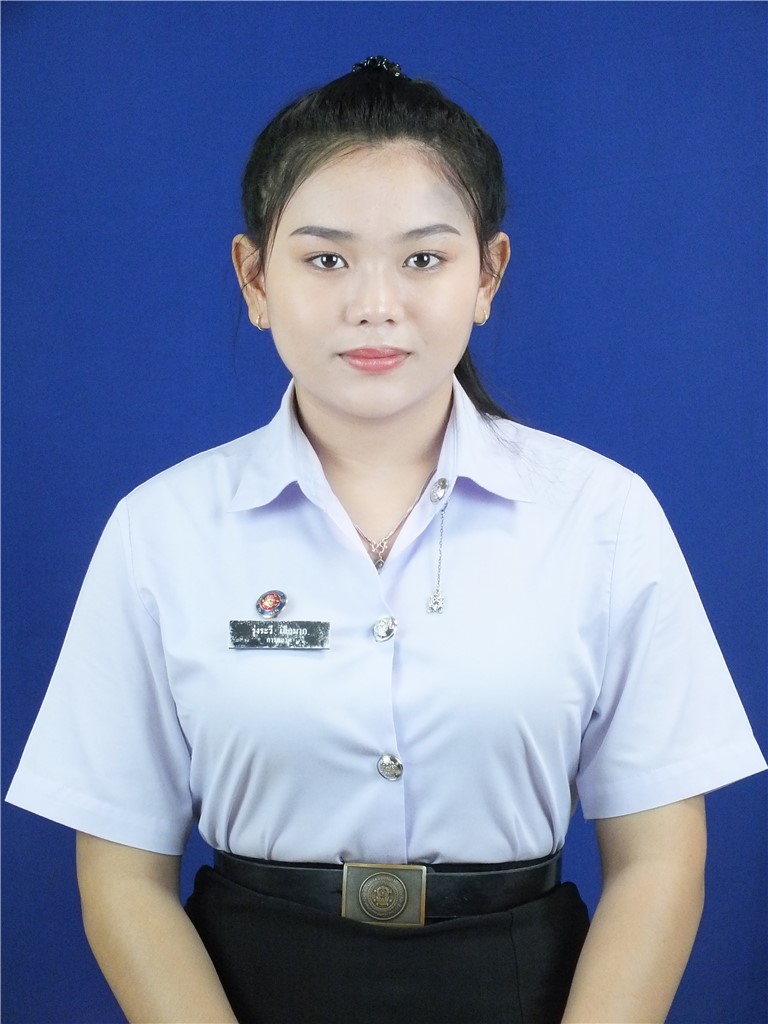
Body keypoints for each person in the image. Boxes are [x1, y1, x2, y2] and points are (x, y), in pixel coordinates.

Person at [7, 55, 766, 1024]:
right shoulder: (161, 529)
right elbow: (120, 875)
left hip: (524, 987)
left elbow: (660, 859)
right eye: (326, 259)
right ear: (254, 278)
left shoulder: (602, 516)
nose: (375, 303)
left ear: (488, 274)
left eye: (423, 259)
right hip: (242, 988)